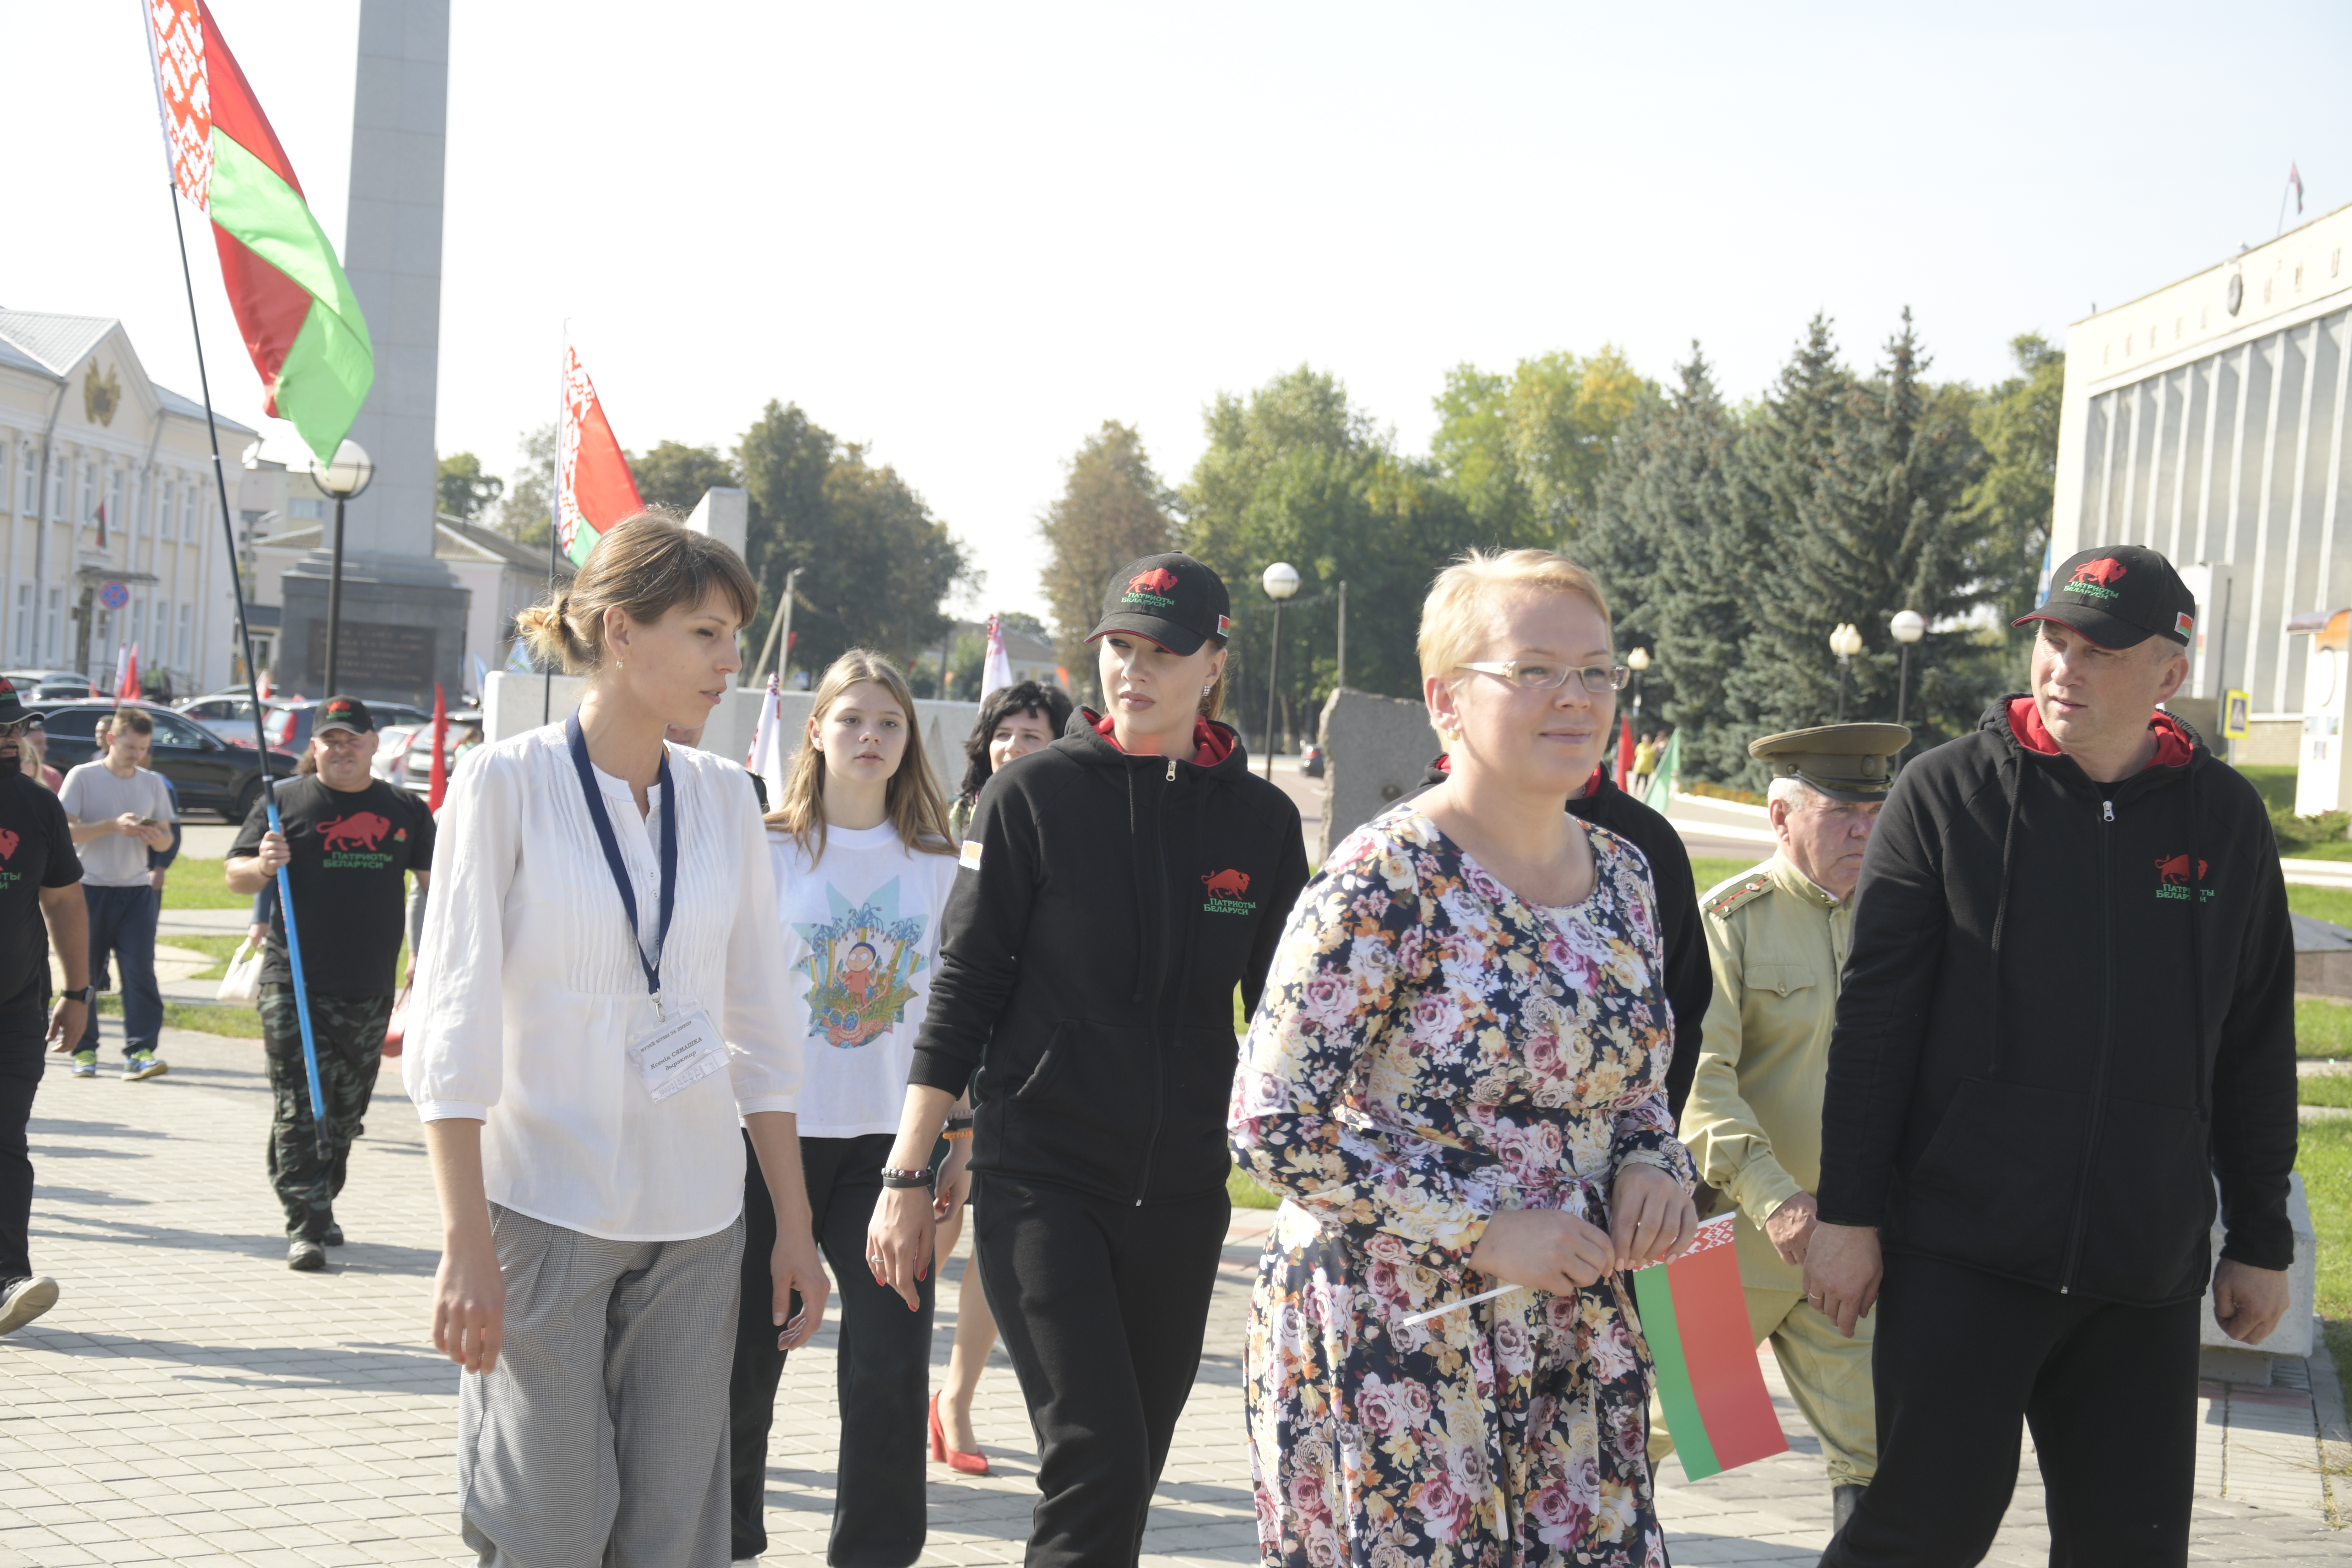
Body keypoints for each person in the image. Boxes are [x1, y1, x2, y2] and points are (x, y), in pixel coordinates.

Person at [1808, 544, 2298, 1567]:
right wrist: (1847, 1215)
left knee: (2133, 1550)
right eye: (2056, 641)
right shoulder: (1945, 793)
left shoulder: (2226, 819)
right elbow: (1874, 1024)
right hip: (1963, 1250)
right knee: (1918, 1538)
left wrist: (2260, 1235)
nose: (2065, 668)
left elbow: (2255, 1038)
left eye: (2100, 651)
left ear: (2170, 672)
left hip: (2142, 1270)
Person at [1230, 548, 1696, 1568]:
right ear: (1445, 700)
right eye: (1533, 669)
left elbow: (1636, 1089)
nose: (1574, 695)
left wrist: (1653, 1164)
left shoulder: (1625, 874)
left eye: (1597, 670)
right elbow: (1270, 1123)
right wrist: (1482, 1227)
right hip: (1402, 1340)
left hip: (1576, 1333)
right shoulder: (1384, 879)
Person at [868, 552, 1309, 1568]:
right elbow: (963, 989)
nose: (1133, 669)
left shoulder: (1261, 822)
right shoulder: (1031, 795)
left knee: (1128, 1474)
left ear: (1215, 663)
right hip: (1042, 1179)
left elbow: (1293, 1022)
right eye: (1119, 646)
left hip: (1184, 1194)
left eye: (1162, 651)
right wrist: (907, 1171)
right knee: (1097, 1459)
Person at [405, 511, 829, 1565]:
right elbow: (451, 1021)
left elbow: (761, 1028)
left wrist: (793, 1225)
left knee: (672, 1535)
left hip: (699, 1217)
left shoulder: (726, 797)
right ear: (620, 630)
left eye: (733, 636)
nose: (730, 662)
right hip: (542, 1205)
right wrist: (465, 1241)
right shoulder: (503, 783)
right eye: (705, 633)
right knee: (547, 1528)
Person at [728, 650, 963, 1568]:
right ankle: (726, 1539)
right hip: (769, 1137)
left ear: (910, 741)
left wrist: (959, 1137)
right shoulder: (765, 847)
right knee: (748, 1356)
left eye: (889, 722)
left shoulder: (940, 863)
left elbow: (960, 1012)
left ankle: (875, 1552)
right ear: (816, 731)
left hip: (890, 1151)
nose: (870, 736)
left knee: (889, 1365)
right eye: (853, 718)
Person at [1665, 722, 1909, 1530]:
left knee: (1880, 1455)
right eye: (1841, 812)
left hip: (1852, 1244)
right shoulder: (1727, 921)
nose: (1863, 831)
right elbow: (1697, 1082)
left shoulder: (1904, 923)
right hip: (1729, 1239)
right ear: (1780, 817)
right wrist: (1774, 1198)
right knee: (1650, 1432)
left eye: (1875, 811)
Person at [226, 695, 435, 1270]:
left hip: (369, 984)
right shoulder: (281, 802)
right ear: (314, 747)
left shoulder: (404, 809)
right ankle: (306, 1223)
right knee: (300, 1102)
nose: (342, 750)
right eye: (331, 741)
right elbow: (236, 877)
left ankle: (320, 1196)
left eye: (352, 740)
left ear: (373, 745)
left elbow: (436, 886)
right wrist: (263, 864)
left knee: (345, 1109)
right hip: (294, 979)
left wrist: (428, 953)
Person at [1407, 741, 1710, 1125]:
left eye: (1594, 684)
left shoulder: (1641, 851)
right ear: (1449, 710)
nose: (1573, 709)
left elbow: (1679, 1019)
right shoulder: (1398, 853)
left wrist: (1651, 1148)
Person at [933, 677, 1075, 1470]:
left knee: (989, 1242)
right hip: (935, 1049)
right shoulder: (944, 824)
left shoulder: (1070, 825)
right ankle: (892, 1382)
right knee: (931, 1225)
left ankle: (954, 1398)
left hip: (1017, 1059)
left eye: (1034, 734)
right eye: (1005, 733)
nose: (1015, 747)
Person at [0, 679, 90, 1337]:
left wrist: (77, 992)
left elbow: (62, 900)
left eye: (14, 728)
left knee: (6, 1142)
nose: (10, 739)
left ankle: (8, 1279)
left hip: (15, 1011)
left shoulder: (37, 805)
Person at [59, 708, 174, 1082]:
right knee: (86, 972)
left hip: (136, 891)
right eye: (130, 747)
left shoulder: (152, 783)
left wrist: (155, 837)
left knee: (140, 971)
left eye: (143, 748)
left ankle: (140, 1051)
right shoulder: (83, 777)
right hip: (89, 889)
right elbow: (64, 830)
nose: (136, 755)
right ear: (111, 740)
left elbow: (167, 836)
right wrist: (111, 826)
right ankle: (84, 1050)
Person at [946, 680, 1074, 843]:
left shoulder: (1073, 823)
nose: (1012, 746)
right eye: (1003, 734)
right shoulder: (951, 818)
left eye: (1031, 736)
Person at [1631, 730, 1658, 795]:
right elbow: (1636, 754)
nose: (1646, 741)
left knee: (1646, 781)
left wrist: (1656, 742)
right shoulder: (1640, 746)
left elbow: (1654, 753)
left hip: (1647, 767)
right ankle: (1635, 791)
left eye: (1647, 740)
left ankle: (1644, 792)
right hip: (1640, 766)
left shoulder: (1652, 747)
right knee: (1637, 780)